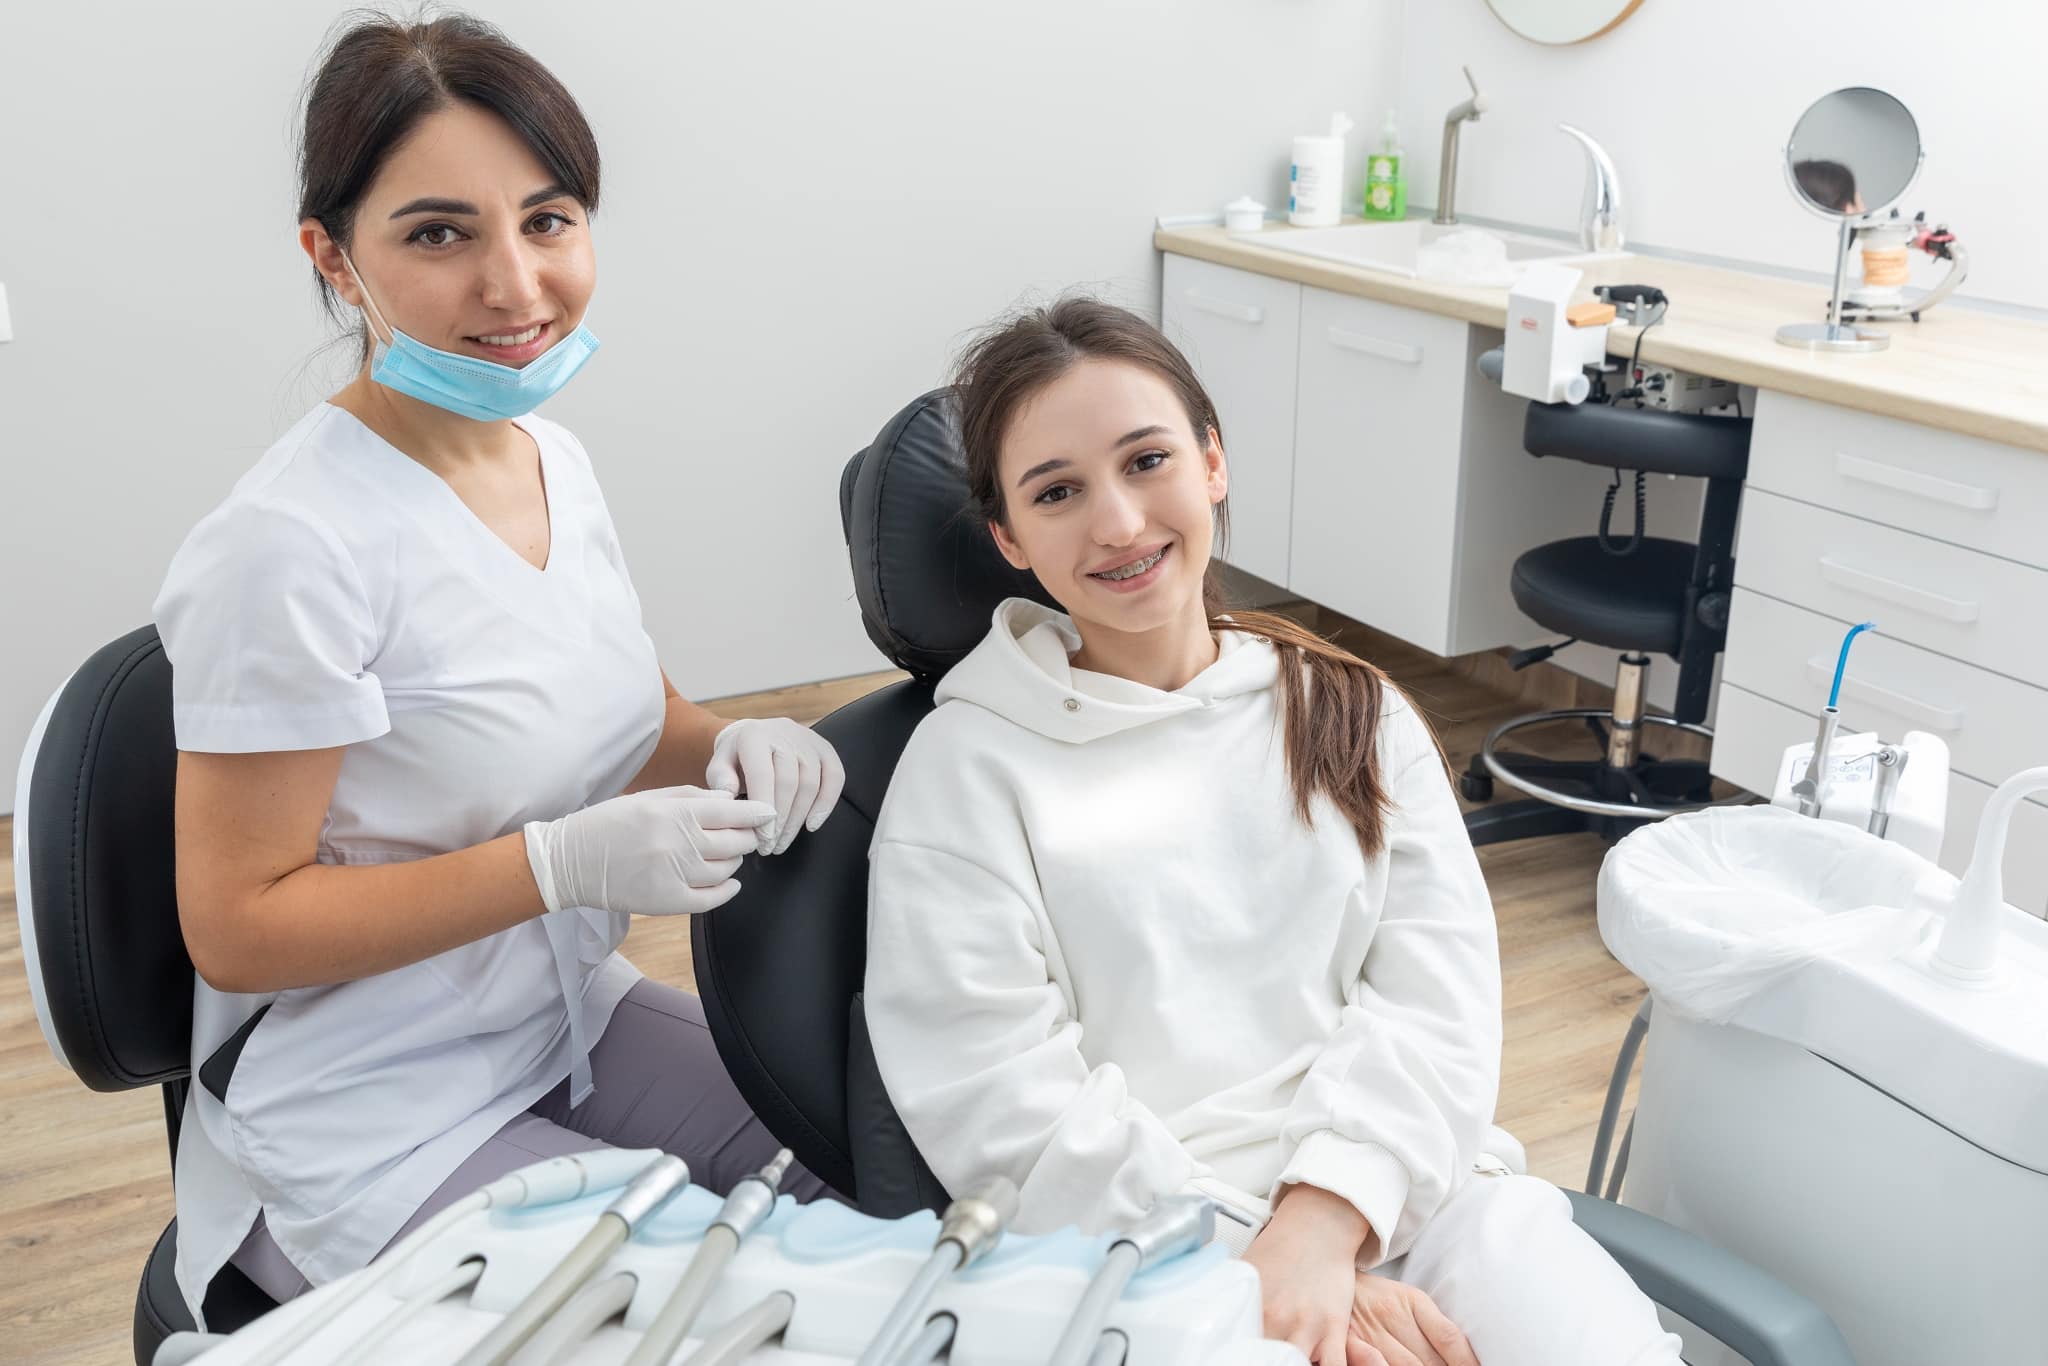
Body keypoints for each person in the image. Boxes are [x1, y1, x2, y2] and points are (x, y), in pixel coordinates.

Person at [154, 13, 838, 1323]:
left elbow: (615, 714)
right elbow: (236, 930)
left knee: (869, 1171)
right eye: (438, 233)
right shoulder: (288, 546)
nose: (518, 286)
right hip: (366, 1107)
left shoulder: (547, 457)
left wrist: (735, 745)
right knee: (738, 1317)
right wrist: (558, 866)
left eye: (549, 219)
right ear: (333, 258)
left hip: (551, 1022)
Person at [862, 298, 1685, 1365]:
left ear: (1212, 462)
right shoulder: (963, 773)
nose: (1114, 521)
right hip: (1151, 1255)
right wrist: (1261, 1262)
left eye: (1145, 459)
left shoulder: (1346, 707)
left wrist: (1324, 1222)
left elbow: (1435, 1003)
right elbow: (1001, 1105)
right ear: (1008, 538)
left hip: (1411, 1194)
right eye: (1056, 491)